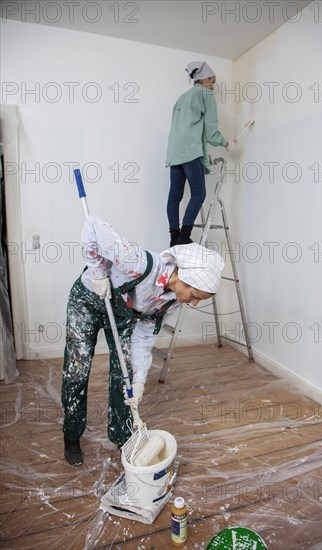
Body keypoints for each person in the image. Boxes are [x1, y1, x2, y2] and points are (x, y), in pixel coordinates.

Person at [62, 215, 225, 465]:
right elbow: (92, 226)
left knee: (124, 376)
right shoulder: (139, 263)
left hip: (121, 314)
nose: (193, 303)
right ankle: (71, 435)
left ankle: (122, 438)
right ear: (183, 278)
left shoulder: (169, 303)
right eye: (194, 295)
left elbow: (144, 337)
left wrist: (139, 381)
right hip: (89, 301)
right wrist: (96, 272)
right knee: (78, 369)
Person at [166, 61, 236, 247]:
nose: (214, 85)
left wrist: (204, 155)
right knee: (199, 193)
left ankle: (174, 237)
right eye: (213, 81)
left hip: (175, 152)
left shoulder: (182, 98)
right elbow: (211, 132)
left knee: (175, 196)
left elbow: (188, 129)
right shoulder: (206, 94)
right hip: (191, 151)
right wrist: (227, 143)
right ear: (205, 79)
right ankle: (184, 236)